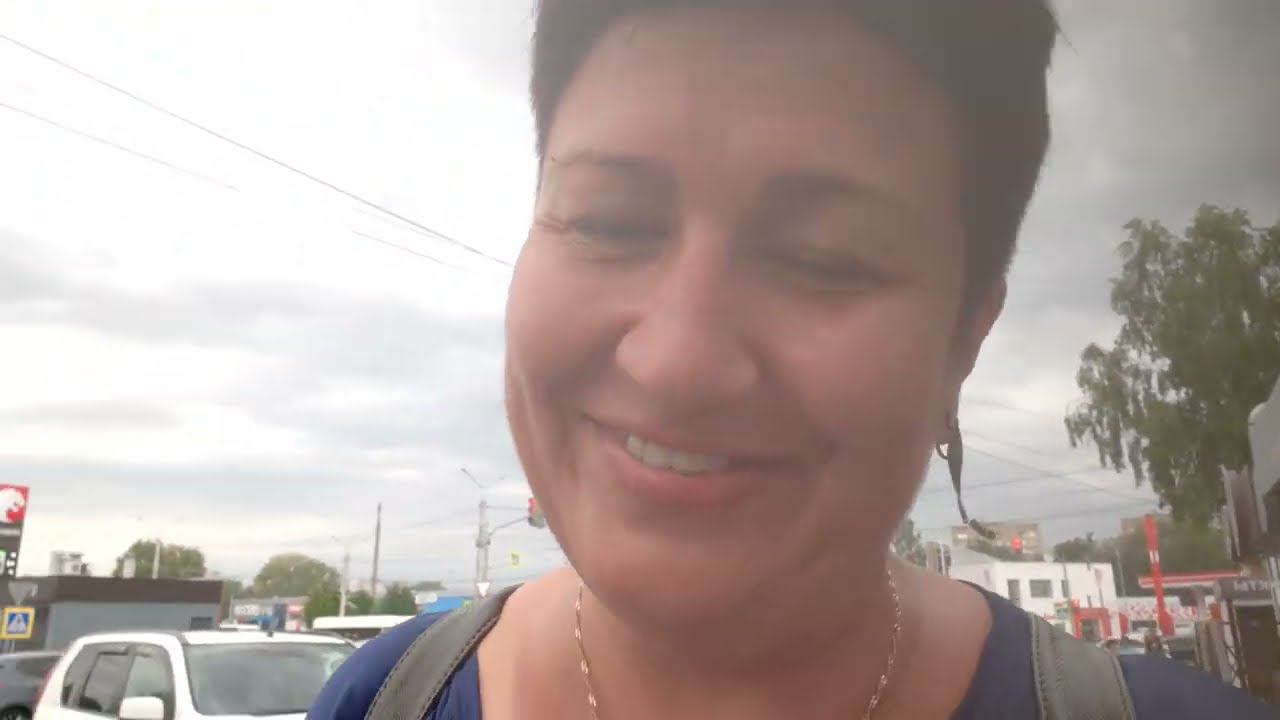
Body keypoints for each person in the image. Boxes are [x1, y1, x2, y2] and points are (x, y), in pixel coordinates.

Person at [309, 1, 1275, 718]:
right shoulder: (385, 699)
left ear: (966, 335)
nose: (678, 361)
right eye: (608, 221)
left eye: (825, 259)